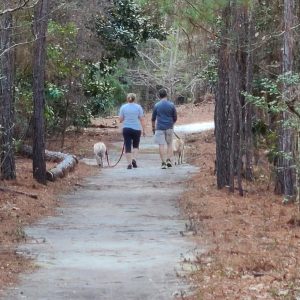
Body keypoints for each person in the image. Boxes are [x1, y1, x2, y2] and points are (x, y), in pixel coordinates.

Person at [151, 88, 177, 169]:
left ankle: (163, 163)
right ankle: (168, 160)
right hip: (169, 127)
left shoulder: (157, 105)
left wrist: (153, 128)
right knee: (169, 144)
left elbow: (153, 118)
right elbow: (175, 117)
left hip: (159, 128)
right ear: (166, 95)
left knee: (161, 145)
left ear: (159, 96)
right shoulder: (171, 105)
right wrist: (172, 124)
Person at [119, 93, 146, 169]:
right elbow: (142, 119)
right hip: (136, 129)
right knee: (136, 145)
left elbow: (120, 120)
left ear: (127, 99)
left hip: (126, 129)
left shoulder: (123, 107)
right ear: (135, 99)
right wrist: (144, 130)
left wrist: (125, 118)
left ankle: (129, 164)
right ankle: (134, 159)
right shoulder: (138, 107)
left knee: (127, 146)